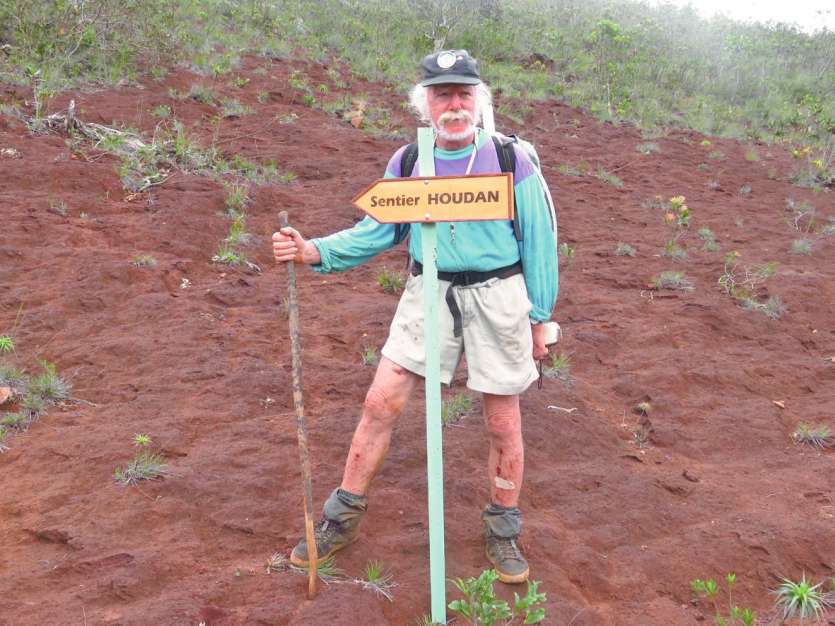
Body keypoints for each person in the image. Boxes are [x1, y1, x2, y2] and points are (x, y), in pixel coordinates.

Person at [272, 49, 558, 584]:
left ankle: (502, 530)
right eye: (442, 94)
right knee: (380, 402)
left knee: (502, 420)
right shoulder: (407, 162)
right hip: (428, 291)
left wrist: (540, 318)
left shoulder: (509, 159)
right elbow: (377, 231)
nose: (454, 104)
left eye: (463, 94)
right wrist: (315, 251)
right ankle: (341, 518)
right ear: (424, 103)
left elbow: (541, 240)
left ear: (479, 100)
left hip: (501, 298)